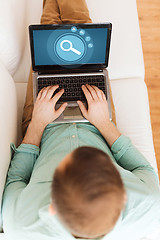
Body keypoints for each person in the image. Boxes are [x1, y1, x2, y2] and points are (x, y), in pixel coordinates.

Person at [2, 0, 160, 240]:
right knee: (80, 37)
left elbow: (17, 178)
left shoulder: (19, 221)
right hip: (99, 122)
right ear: (125, 195)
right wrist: (103, 122)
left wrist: (37, 123)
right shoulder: (149, 206)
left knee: (49, 40)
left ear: (52, 207)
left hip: (41, 125)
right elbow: (141, 168)